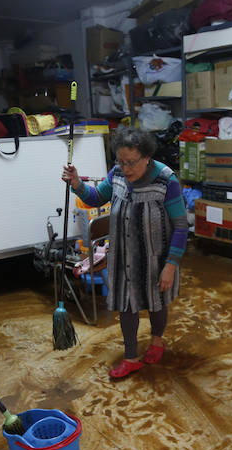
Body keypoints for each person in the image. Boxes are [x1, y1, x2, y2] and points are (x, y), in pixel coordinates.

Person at [61, 127, 188, 378]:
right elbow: (96, 197)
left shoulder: (166, 180)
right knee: (127, 306)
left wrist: (170, 265)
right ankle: (131, 357)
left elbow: (182, 227)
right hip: (123, 256)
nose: (126, 168)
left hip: (157, 257)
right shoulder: (118, 174)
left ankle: (157, 340)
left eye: (131, 162)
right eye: (121, 161)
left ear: (147, 157)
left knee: (156, 302)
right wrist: (77, 184)